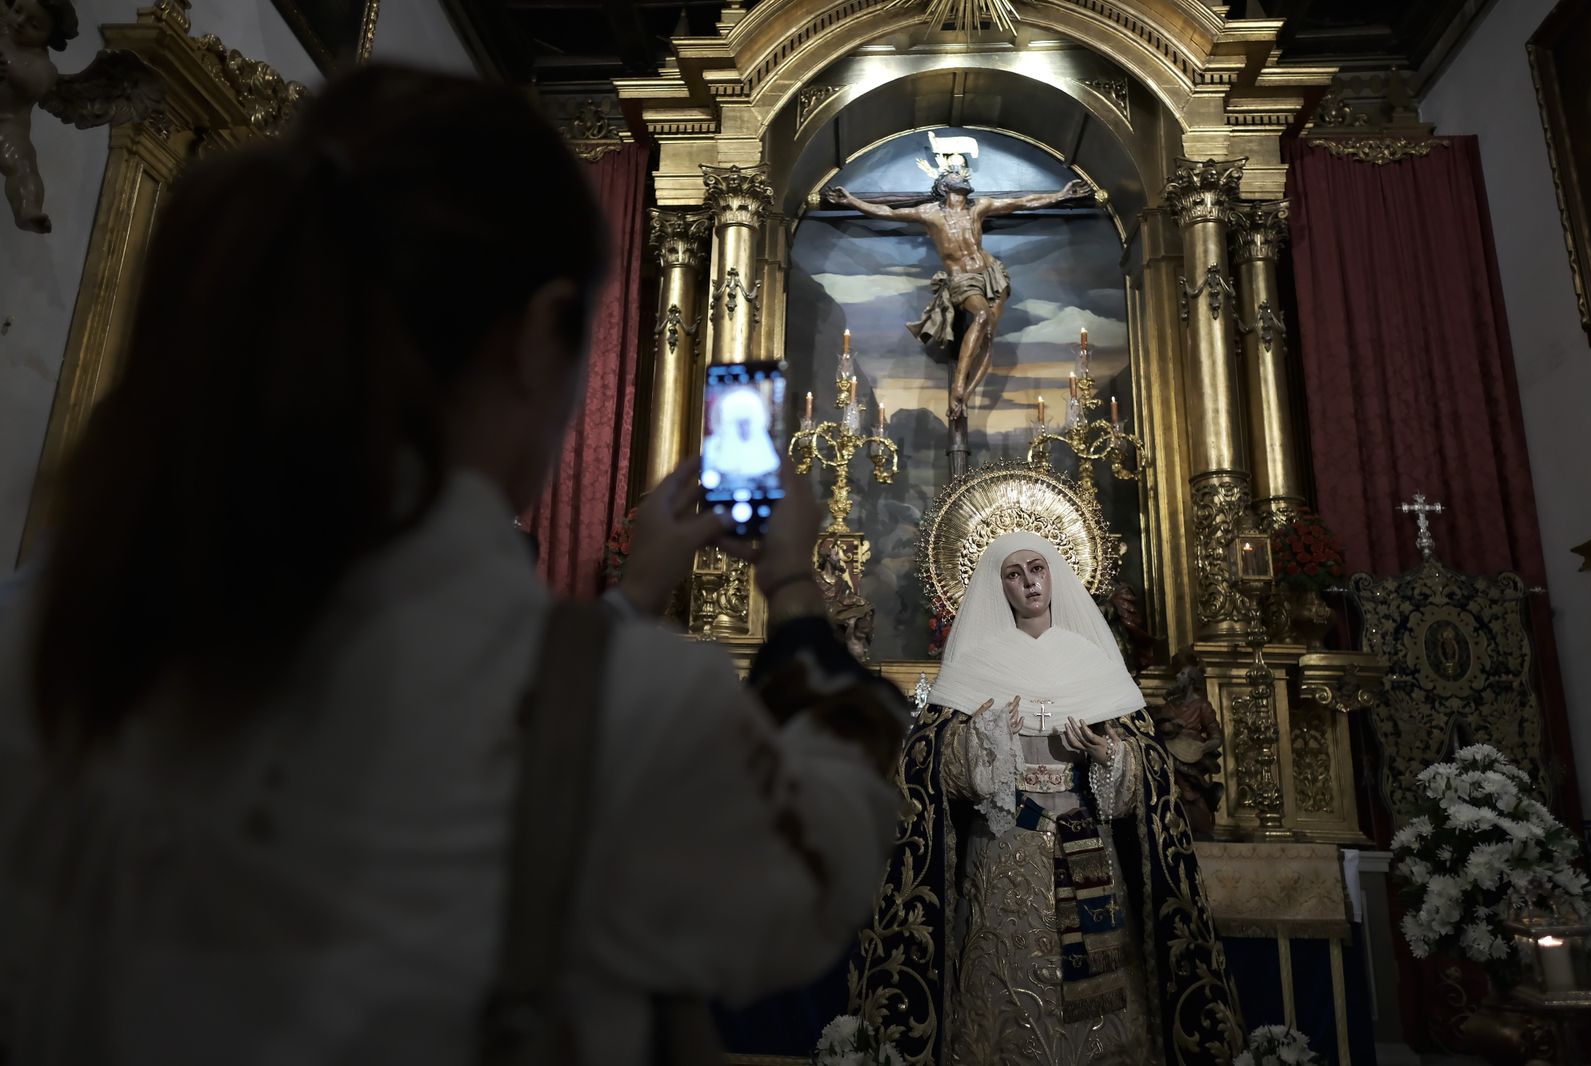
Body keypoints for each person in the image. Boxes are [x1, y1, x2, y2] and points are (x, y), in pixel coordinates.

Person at [0, 64, 908, 1066]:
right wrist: (791, 590)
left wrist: (638, 593)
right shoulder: (632, 712)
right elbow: (827, 858)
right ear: (535, 338)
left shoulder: (50, 627)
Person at [851, 532, 1241, 1065]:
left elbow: (1147, 781)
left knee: (1100, 996)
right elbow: (929, 769)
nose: (1030, 581)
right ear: (1000, 586)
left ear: (1056, 572)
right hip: (1006, 851)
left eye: (1038, 567)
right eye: (1015, 573)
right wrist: (982, 739)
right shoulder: (977, 665)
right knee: (1006, 983)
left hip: (1091, 845)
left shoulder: (1094, 662)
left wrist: (1111, 758)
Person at [824, 171, 1096, 421]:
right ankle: (957, 386)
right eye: (956, 174)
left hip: (992, 272)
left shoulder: (979, 208)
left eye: (964, 173)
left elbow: (1024, 202)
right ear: (944, 186)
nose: (963, 176)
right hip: (961, 280)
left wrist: (1061, 195)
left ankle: (964, 394)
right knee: (979, 315)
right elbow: (886, 213)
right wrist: (851, 201)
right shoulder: (930, 213)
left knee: (988, 337)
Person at [701, 384, 781, 487]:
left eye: (747, 423)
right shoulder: (714, 448)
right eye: (740, 423)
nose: (744, 428)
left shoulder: (763, 449)